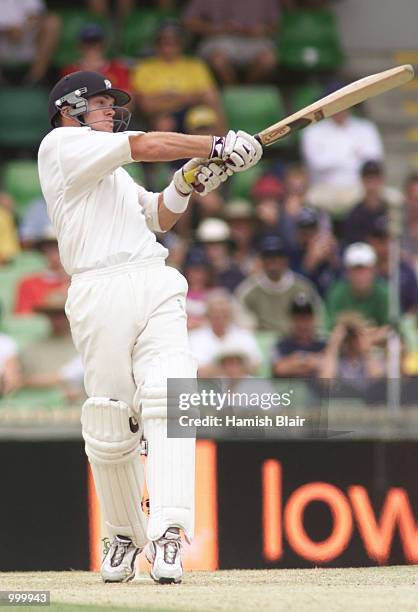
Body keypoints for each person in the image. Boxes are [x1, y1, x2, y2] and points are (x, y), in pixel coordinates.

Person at [38, 69, 262, 585]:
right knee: (111, 421)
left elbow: (158, 217)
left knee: (172, 396)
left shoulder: (111, 171)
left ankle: (169, 536)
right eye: (99, 102)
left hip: (153, 278)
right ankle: (121, 534)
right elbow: (145, 144)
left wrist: (186, 180)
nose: (110, 110)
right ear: (68, 109)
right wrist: (216, 143)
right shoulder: (61, 147)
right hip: (98, 289)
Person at [131, 22, 225, 133]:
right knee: (165, 124)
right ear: (156, 44)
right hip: (161, 114)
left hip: (192, 110)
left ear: (181, 44)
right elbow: (147, 105)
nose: (168, 47)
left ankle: (223, 142)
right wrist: (186, 97)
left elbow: (208, 95)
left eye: (173, 43)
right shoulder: (144, 67)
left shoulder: (195, 65)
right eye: (163, 43)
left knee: (203, 120)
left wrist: (165, 97)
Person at [301, 94, 384, 215]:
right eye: (334, 104)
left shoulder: (365, 128)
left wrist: (333, 157)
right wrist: (352, 155)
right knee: (309, 200)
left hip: (359, 188)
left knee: (392, 199)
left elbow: (374, 159)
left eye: (342, 103)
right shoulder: (313, 131)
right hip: (324, 188)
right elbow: (317, 164)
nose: (338, 108)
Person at [236, 234, 323, 335]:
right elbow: (241, 319)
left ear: (286, 259)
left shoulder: (302, 287)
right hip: (262, 341)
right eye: (268, 256)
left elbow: (318, 318)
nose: (273, 261)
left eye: (278, 256)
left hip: (295, 340)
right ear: (262, 260)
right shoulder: (248, 290)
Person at [184, 0, 279, 84]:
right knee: (218, 60)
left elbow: (275, 25)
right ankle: (233, 91)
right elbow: (188, 22)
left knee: (268, 60)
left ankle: (247, 90)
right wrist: (218, 28)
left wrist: (262, 30)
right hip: (219, 38)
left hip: (255, 40)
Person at [188, 289, 262, 377]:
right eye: (215, 313)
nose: (220, 317)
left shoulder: (244, 335)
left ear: (230, 314)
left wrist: (219, 367)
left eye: (224, 313)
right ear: (208, 315)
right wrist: (234, 366)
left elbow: (256, 366)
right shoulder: (195, 338)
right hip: (208, 387)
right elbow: (197, 371)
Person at [326, 242, 389, 329]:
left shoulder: (383, 293)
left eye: (365, 270)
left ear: (374, 271)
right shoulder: (337, 293)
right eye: (356, 270)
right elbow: (329, 328)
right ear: (347, 272)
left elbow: (391, 329)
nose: (360, 276)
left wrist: (367, 337)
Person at [61, 23, 132, 95]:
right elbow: (65, 99)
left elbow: (127, 99)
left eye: (96, 42)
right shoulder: (70, 71)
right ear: (79, 46)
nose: (92, 47)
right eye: (87, 42)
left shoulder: (118, 69)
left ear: (105, 45)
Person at [14, 226, 69, 315]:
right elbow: (24, 318)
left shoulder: (79, 282)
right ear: (43, 250)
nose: (55, 252)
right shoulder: (28, 283)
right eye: (50, 247)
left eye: (60, 246)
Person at [272, 293, 326, 378]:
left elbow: (328, 370)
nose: (302, 324)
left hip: (318, 390)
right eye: (298, 319)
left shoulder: (323, 344)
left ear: (313, 319)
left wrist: (295, 361)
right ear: (291, 320)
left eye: (306, 319)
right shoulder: (282, 345)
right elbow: (280, 369)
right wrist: (312, 361)